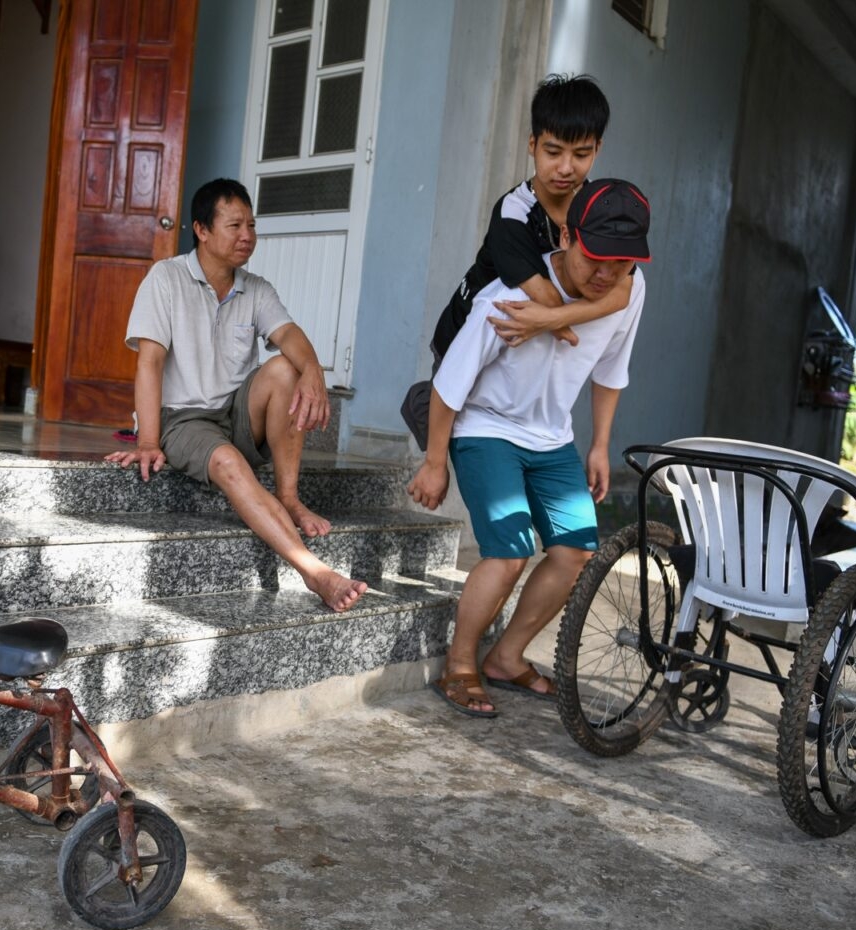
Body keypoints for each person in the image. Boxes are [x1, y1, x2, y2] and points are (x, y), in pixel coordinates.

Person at [407, 178, 652, 717]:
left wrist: (600, 444)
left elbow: (611, 370)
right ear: (568, 234)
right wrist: (434, 462)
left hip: (552, 435)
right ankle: (462, 662)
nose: (608, 273)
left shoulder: (627, 293)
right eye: (597, 257)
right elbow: (452, 379)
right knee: (511, 550)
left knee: (574, 552)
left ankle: (506, 656)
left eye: (624, 262)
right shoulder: (511, 294)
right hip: (485, 424)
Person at [105, 178, 368, 613]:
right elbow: (149, 363)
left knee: (288, 365)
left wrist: (314, 374)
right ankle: (314, 572)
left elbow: (289, 336)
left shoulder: (256, 288)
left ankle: (287, 495)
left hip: (236, 414)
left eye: (251, 225)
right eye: (234, 225)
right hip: (184, 418)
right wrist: (149, 441)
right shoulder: (166, 278)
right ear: (201, 230)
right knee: (227, 459)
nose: (247, 236)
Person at [403, 74, 631, 448]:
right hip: (465, 330)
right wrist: (559, 319)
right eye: (553, 152)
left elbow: (625, 289)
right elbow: (549, 299)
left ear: (598, 149)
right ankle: (424, 402)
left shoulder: (598, 208)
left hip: (519, 339)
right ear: (532, 144)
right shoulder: (513, 214)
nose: (565, 168)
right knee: (459, 415)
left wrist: (555, 320)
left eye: (581, 154)